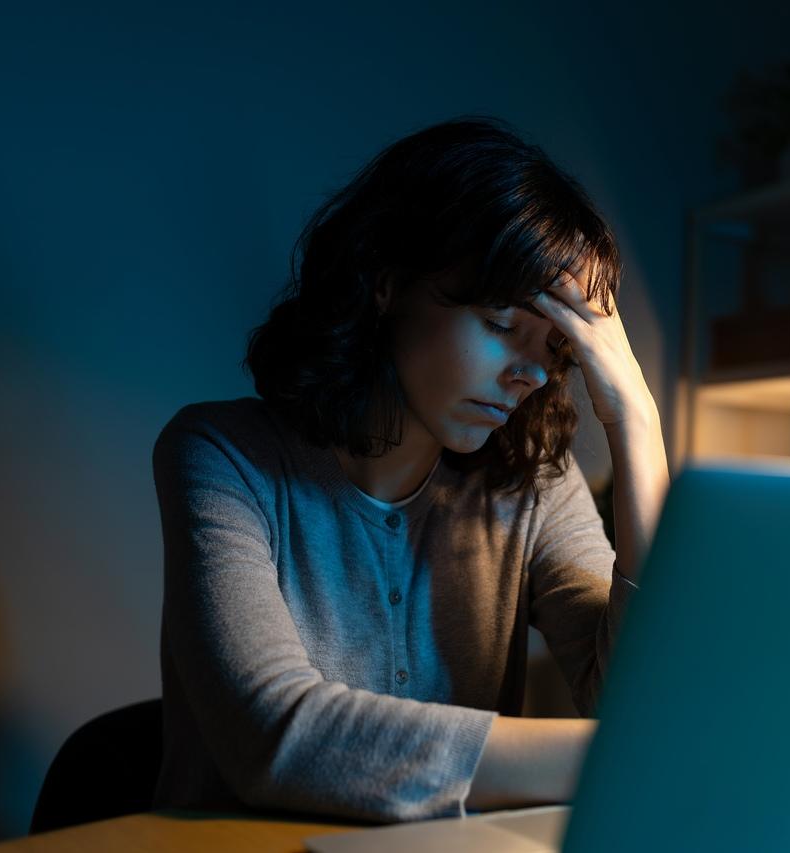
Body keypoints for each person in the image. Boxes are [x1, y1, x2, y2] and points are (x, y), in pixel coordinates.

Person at [149, 116, 670, 824]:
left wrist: (637, 421)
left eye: (555, 348)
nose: (529, 373)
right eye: (499, 322)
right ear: (389, 282)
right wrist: (620, 756)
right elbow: (274, 735)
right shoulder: (222, 455)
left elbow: (639, 702)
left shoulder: (534, 486)